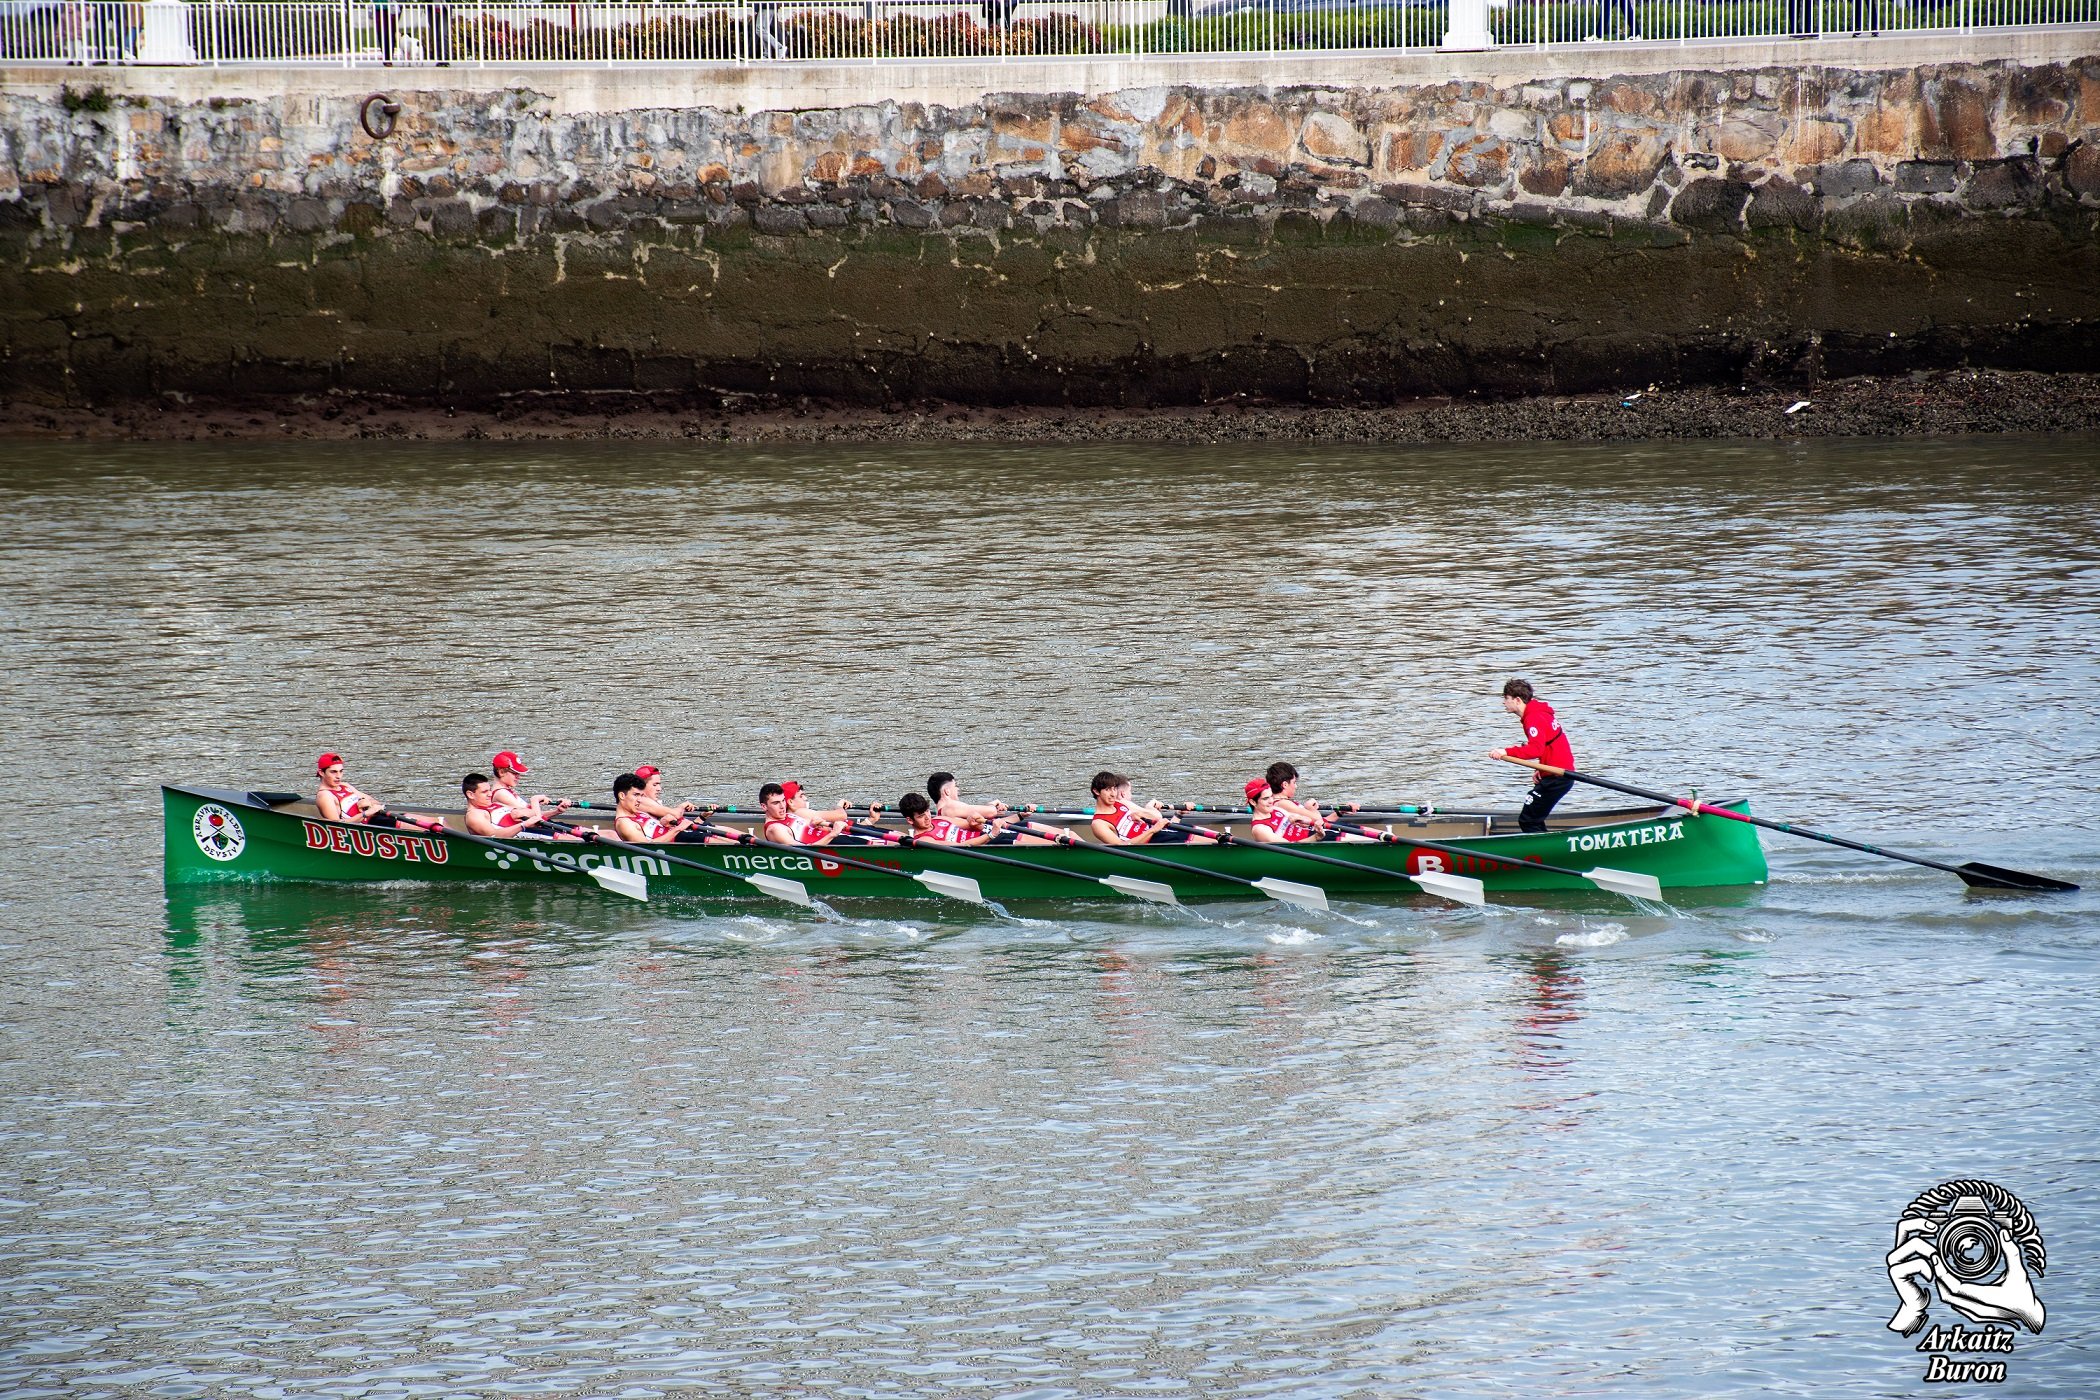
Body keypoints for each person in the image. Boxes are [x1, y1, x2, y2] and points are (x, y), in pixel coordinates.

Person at [1490, 678, 1576, 833]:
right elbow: (1550, 745)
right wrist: (1542, 769)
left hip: (1559, 777)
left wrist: (1505, 752)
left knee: (1528, 820)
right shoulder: (1537, 713)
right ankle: (1546, 847)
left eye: (1506, 698)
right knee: (1533, 818)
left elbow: (1535, 749)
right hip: (1557, 772)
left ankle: (1545, 854)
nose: (1504, 702)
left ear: (1517, 700)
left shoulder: (1533, 718)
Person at [1088, 771, 1212, 845]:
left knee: (1219, 838)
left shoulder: (1120, 803)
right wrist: (1152, 830)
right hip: (1153, 844)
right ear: (1096, 791)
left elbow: (1156, 817)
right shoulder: (1099, 824)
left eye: (1114, 789)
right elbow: (1123, 847)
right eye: (1107, 790)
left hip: (1163, 831)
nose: (1113, 794)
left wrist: (1178, 814)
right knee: (1213, 846)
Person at [463, 772, 581, 840]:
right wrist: (523, 825)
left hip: (534, 830)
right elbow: (494, 835)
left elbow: (528, 814)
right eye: (484, 792)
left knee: (581, 836)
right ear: (470, 794)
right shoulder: (474, 815)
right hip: (524, 837)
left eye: (489, 790)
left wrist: (556, 811)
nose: (490, 794)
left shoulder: (496, 805)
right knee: (575, 839)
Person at [314, 753, 411, 828]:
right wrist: (365, 814)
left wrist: (366, 802)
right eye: (333, 772)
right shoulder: (324, 796)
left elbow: (375, 802)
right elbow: (336, 826)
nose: (338, 776)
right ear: (321, 773)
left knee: (412, 817)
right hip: (370, 826)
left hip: (379, 818)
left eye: (341, 771)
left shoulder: (345, 785)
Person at [488, 750, 574, 830]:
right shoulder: (501, 794)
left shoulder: (506, 790)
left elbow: (532, 814)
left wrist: (556, 811)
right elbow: (535, 818)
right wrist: (535, 800)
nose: (518, 777)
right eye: (514, 773)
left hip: (541, 826)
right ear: (501, 772)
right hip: (532, 830)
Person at [611, 772, 701, 843]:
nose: (639, 800)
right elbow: (647, 848)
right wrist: (678, 829)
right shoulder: (624, 823)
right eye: (635, 795)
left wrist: (664, 823)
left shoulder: (638, 813)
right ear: (622, 796)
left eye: (641, 795)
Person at [757, 781, 854, 846]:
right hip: (830, 849)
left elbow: (803, 830)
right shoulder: (775, 829)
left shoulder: (787, 815)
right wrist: (833, 834)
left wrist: (813, 824)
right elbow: (803, 851)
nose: (782, 806)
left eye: (783, 801)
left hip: (835, 840)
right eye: (776, 803)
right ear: (764, 806)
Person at [891, 791, 996, 845]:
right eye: (921, 816)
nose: (927, 817)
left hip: (987, 835)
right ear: (910, 820)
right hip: (985, 844)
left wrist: (973, 819)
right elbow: (963, 846)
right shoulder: (924, 839)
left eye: (927, 811)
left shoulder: (939, 819)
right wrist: (991, 835)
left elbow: (973, 826)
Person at [1244, 778, 1320, 843]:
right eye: (1266, 798)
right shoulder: (1260, 829)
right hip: (1310, 843)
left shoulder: (1276, 809)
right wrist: (1316, 837)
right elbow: (1291, 849)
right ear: (1253, 802)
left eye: (1271, 796)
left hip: (1314, 832)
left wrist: (1303, 820)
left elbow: (1305, 821)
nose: (1271, 801)